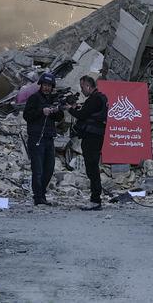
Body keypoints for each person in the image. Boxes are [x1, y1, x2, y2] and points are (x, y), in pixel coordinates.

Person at [22, 73, 64, 205]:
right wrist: (42, 111)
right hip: (36, 138)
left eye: (49, 86)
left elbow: (59, 118)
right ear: (41, 85)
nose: (47, 88)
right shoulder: (34, 98)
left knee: (49, 168)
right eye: (45, 85)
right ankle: (38, 197)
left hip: (49, 138)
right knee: (38, 169)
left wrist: (56, 110)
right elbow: (27, 116)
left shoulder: (53, 99)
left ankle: (41, 193)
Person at [69, 74, 108, 210]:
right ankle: (95, 198)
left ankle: (95, 200)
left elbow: (82, 115)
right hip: (94, 137)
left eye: (82, 87)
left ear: (87, 85)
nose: (82, 90)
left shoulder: (94, 99)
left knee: (92, 168)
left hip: (92, 138)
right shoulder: (97, 99)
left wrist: (69, 108)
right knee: (92, 167)